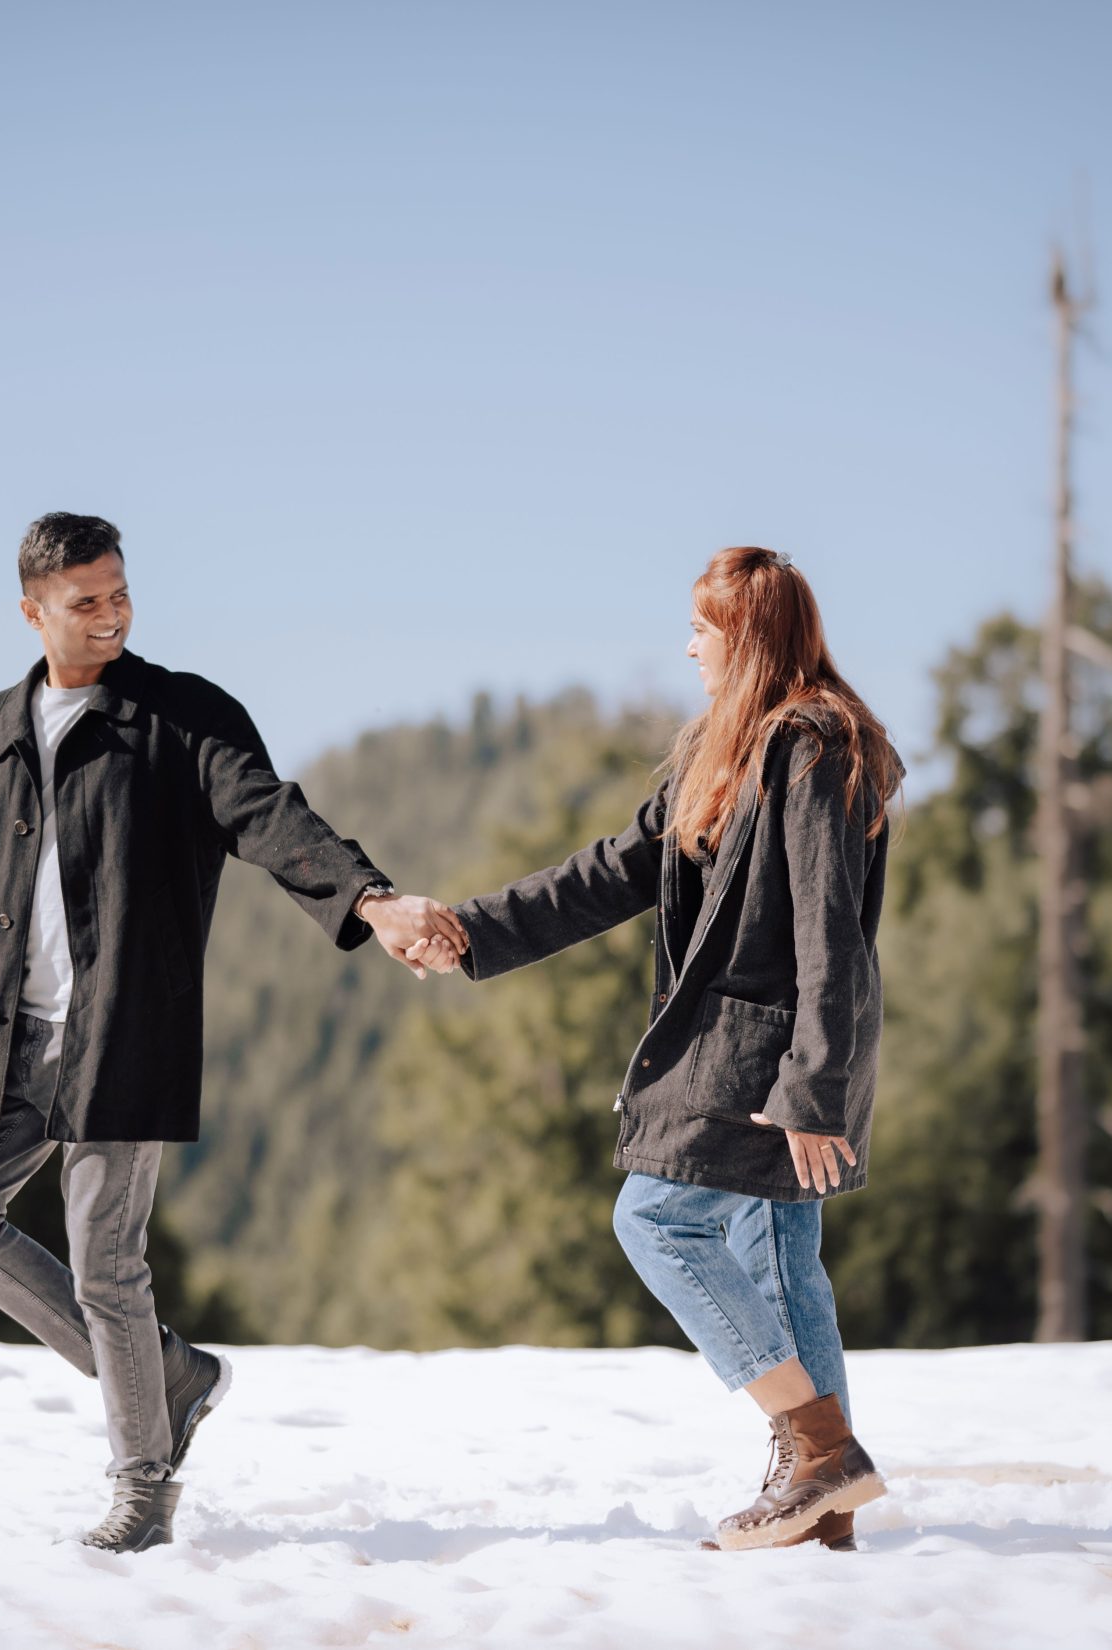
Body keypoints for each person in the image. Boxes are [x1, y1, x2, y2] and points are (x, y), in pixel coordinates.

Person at [0, 512, 468, 1553]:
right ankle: (169, 1375)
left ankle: (143, 1485)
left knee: (105, 1263)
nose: (110, 617)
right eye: (84, 603)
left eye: (120, 593)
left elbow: (271, 815)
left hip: (118, 1031)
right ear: (32, 611)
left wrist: (371, 899)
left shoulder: (180, 717)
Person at [407, 545, 902, 1552]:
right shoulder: (717, 749)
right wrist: (471, 931)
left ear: (747, 639)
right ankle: (823, 1512)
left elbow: (828, 927)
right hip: (758, 1050)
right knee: (779, 1263)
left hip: (765, 1057)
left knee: (657, 1222)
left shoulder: (811, 748)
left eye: (702, 632)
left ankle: (816, 1449)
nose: (687, 649)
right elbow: (611, 873)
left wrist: (813, 1087)